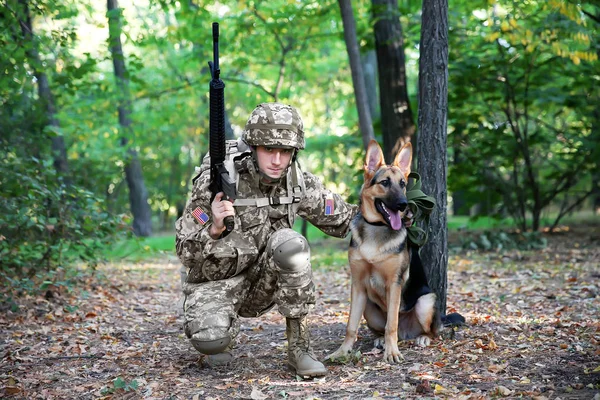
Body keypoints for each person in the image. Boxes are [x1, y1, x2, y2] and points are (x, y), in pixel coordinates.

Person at [175, 102, 358, 378]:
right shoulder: (215, 182)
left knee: (291, 244)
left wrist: (389, 209)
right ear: (253, 147)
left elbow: (342, 216)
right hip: (217, 280)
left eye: (285, 151)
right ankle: (221, 327)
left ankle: (300, 349)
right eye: (268, 150)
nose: (277, 160)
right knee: (211, 341)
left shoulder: (296, 182)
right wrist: (212, 227)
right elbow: (183, 249)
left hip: (263, 280)